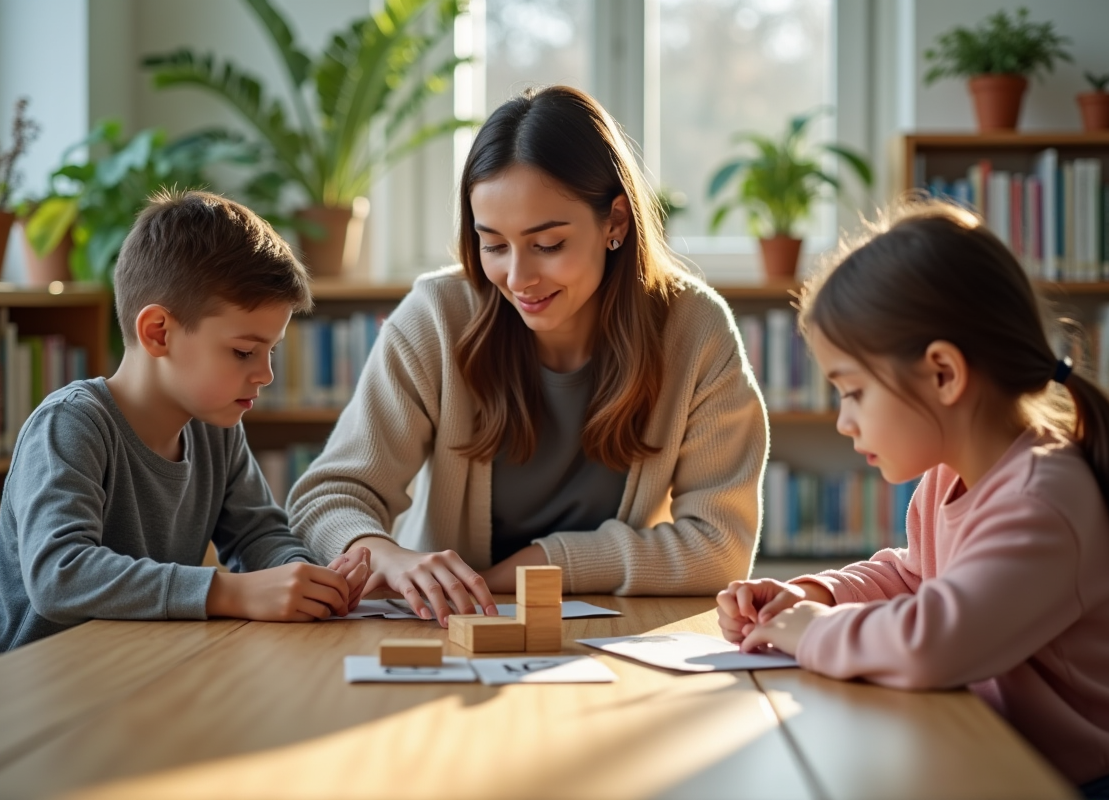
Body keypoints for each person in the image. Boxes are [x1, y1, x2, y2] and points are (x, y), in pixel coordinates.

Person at [288, 85, 768, 626]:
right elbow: (327, 497)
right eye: (493, 244)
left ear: (615, 221)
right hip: (444, 630)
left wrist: (536, 567)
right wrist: (390, 557)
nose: (518, 279)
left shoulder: (695, 328)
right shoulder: (436, 318)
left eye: (547, 244)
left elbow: (719, 546)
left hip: (608, 635)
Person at [717, 199, 1109, 798]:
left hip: (1082, 783)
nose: (844, 423)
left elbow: (935, 640)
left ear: (943, 374)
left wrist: (811, 631)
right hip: (995, 752)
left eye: (853, 392)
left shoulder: (1045, 500)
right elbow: (918, 578)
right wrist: (814, 593)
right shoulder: (948, 477)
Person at [0, 190, 370, 655]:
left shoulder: (216, 429)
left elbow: (258, 534)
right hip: (45, 694)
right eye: (245, 352)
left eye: (272, 351)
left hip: (143, 671)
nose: (265, 374)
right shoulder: (71, 425)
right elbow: (59, 575)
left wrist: (307, 579)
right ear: (158, 333)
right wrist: (229, 591)